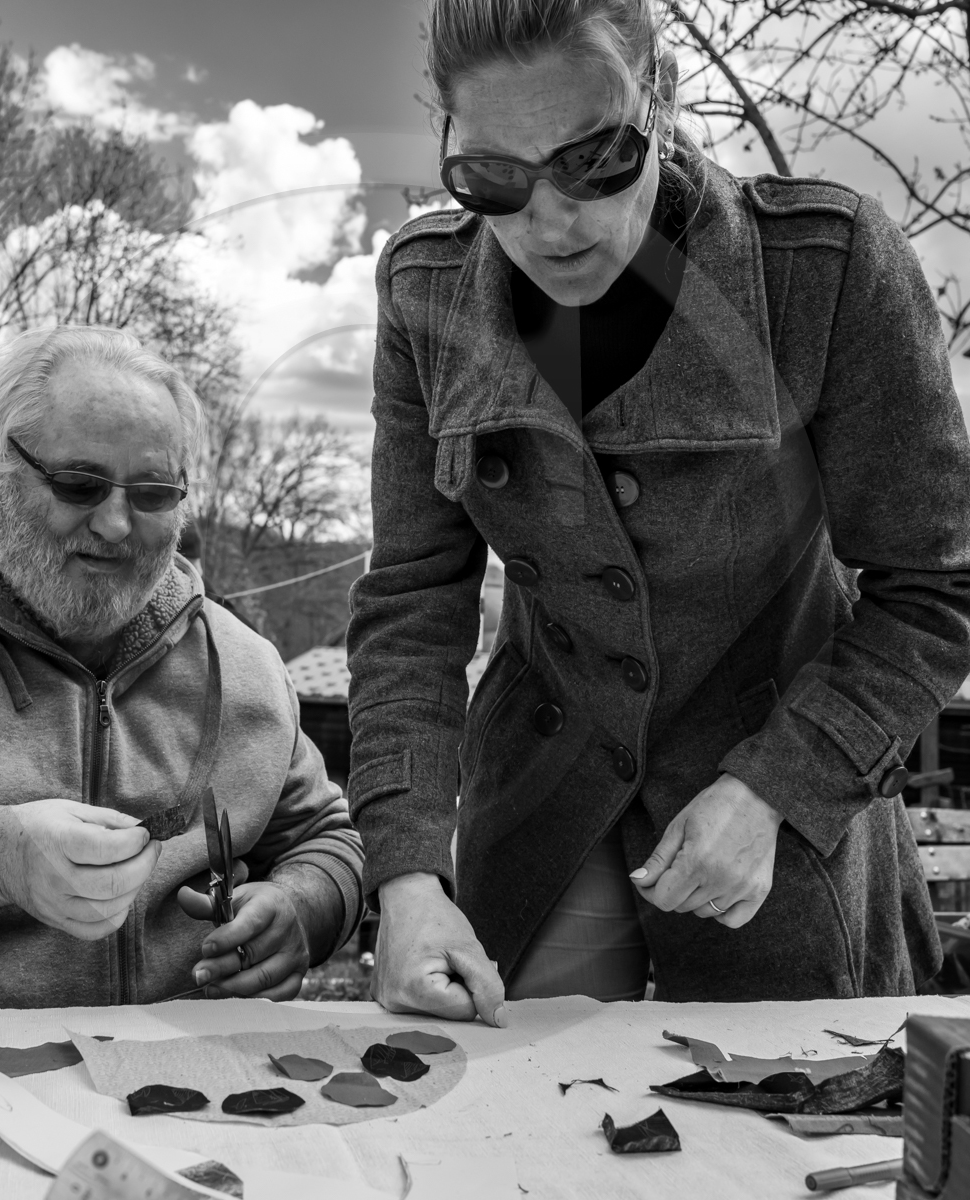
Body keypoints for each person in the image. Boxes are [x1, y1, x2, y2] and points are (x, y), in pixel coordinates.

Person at [346, 0, 970, 1023]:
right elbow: (413, 604)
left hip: (781, 822)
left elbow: (935, 591)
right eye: (492, 178)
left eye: (595, 161)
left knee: (779, 1115)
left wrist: (777, 786)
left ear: (661, 99)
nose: (551, 224)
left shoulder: (827, 267)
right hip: (540, 816)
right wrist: (407, 872)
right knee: (510, 1114)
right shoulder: (425, 291)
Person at [0, 326, 363, 1014]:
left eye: (152, 493)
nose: (115, 524)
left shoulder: (244, 663)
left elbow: (329, 838)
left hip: (180, 1073)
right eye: (80, 485)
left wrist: (304, 907)